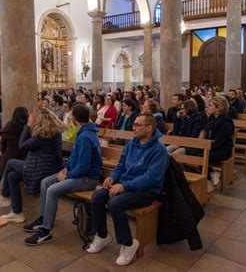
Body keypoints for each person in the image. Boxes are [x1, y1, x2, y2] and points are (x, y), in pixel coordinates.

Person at [87, 114, 168, 266]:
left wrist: (124, 186)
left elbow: (151, 178)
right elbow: (121, 166)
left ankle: (129, 244)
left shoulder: (159, 150)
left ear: (149, 128)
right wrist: (112, 178)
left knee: (115, 203)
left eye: (137, 125)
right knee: (98, 196)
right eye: (134, 124)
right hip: (126, 184)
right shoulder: (132, 144)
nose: (133, 127)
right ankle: (102, 235)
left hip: (147, 191)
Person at [24, 104, 102, 245]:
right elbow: (74, 158)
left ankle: (46, 231)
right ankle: (43, 218)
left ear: (74, 118)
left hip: (88, 179)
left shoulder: (85, 136)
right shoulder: (84, 132)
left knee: (52, 190)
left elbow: (84, 167)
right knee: (45, 182)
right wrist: (66, 169)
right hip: (77, 174)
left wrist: (67, 176)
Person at [0, 108, 65, 223]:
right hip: (46, 166)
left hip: (42, 170)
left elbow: (22, 145)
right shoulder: (54, 132)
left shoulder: (42, 137)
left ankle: (4, 196)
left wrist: (28, 126)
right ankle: (17, 212)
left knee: (10, 162)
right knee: (12, 176)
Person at [0, 107, 29, 200]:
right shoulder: (29, 129)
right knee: (3, 159)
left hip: (9, 161)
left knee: (1, 159)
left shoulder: (8, 128)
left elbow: (2, 148)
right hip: (24, 160)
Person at [191, 97, 234, 186]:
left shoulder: (226, 122)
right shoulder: (212, 119)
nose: (208, 107)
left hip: (222, 149)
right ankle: (209, 177)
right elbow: (206, 130)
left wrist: (205, 147)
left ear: (219, 107)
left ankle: (209, 179)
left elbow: (219, 142)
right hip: (211, 146)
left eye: (211, 105)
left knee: (201, 156)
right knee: (192, 153)